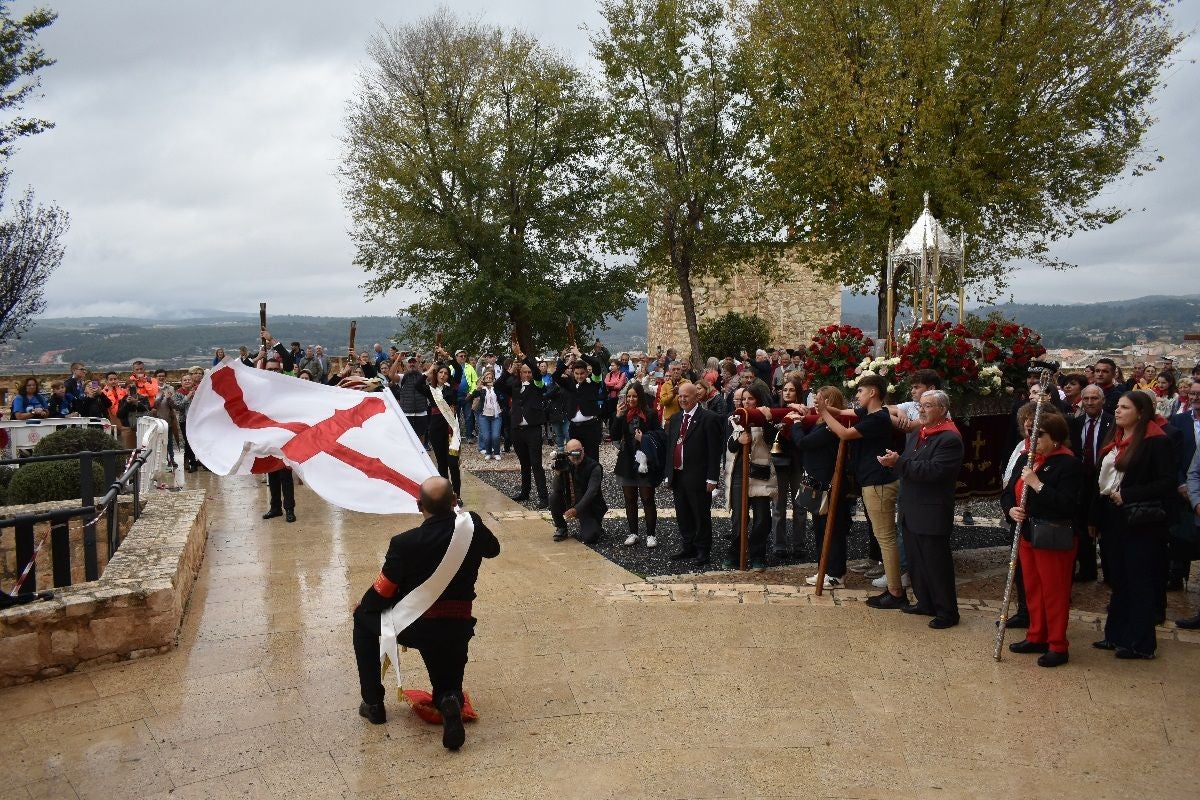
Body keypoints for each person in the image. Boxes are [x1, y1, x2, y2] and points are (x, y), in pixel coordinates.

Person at [352, 477, 500, 749]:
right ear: (454, 501)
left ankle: (373, 703)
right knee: (448, 683)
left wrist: (363, 606)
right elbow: (494, 549)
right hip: (458, 624)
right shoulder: (473, 526)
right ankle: (449, 701)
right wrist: (466, 518)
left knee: (362, 621)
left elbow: (383, 591)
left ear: (419, 505)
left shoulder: (405, 543)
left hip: (415, 626)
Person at [1090, 391, 1178, 659]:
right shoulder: (1114, 439)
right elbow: (1100, 482)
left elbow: (1166, 483)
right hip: (1113, 517)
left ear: (1140, 413)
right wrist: (1094, 518)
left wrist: (1129, 494)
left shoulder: (1156, 442)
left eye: (1125, 407)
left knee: (1139, 579)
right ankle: (1116, 635)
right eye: (1117, 406)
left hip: (1140, 520)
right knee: (1118, 577)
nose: (1117, 411)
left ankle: (1140, 642)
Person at [1002, 413, 1085, 666]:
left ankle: (1058, 645)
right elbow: (1007, 492)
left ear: (1056, 438)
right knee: (1033, 588)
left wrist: (1037, 485)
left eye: (1040, 434)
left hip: (1053, 537)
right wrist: (1010, 509)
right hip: (1028, 533)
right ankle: (1036, 634)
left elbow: (1069, 504)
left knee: (1054, 591)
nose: (1033, 438)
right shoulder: (1028, 459)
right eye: (1031, 433)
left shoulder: (1068, 464)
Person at [879, 389, 964, 629]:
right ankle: (925, 602)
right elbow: (910, 461)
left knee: (936, 563)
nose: (921, 410)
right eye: (921, 405)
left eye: (928, 406)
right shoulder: (921, 432)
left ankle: (947, 611)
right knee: (917, 560)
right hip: (912, 507)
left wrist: (900, 463)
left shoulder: (949, 439)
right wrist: (896, 460)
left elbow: (933, 471)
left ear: (943, 410)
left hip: (931, 510)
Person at [822, 374, 907, 609]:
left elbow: (845, 433)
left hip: (878, 481)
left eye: (860, 391)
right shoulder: (869, 413)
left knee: (886, 538)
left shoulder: (878, 418)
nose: (856, 395)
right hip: (872, 480)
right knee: (885, 536)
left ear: (872, 393)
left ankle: (896, 592)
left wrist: (824, 414)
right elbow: (845, 414)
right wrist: (825, 407)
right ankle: (895, 589)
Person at [795, 386, 852, 588]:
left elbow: (805, 442)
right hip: (817, 482)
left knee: (832, 530)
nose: (815, 403)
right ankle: (825, 569)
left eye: (819, 400)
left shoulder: (833, 424)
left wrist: (795, 425)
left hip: (829, 483)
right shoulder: (823, 421)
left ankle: (835, 573)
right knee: (820, 528)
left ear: (829, 402)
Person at [666, 382, 724, 566]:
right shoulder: (675, 419)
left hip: (699, 476)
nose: (682, 399)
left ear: (696, 397)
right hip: (678, 474)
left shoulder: (709, 418)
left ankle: (703, 549)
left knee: (700, 514)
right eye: (680, 396)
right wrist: (668, 473)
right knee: (683, 513)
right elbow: (671, 447)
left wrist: (712, 477)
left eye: (686, 396)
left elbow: (714, 451)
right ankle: (688, 545)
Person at [723, 384, 777, 571]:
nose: (746, 402)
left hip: (760, 473)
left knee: (762, 518)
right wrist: (738, 440)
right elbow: (729, 445)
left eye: (750, 399)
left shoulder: (766, 419)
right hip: (739, 473)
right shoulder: (734, 419)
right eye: (743, 399)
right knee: (739, 518)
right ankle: (735, 553)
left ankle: (757, 555)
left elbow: (772, 440)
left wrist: (766, 421)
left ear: (758, 401)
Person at [1069, 384, 1113, 583]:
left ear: (1102, 400)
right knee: (1082, 526)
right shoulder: (1075, 424)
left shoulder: (1112, 423)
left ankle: (1111, 573)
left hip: (1103, 481)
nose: (1089, 403)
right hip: (1081, 481)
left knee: (1104, 526)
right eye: (1086, 399)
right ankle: (1087, 570)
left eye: (1094, 398)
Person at [613, 383, 664, 548]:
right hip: (627, 461)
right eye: (628, 396)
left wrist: (645, 439)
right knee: (629, 499)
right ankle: (633, 532)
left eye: (634, 396)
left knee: (647, 498)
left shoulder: (650, 413)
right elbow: (613, 435)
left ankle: (651, 534)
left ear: (640, 397)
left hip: (644, 461)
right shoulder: (623, 413)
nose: (631, 399)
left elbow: (661, 436)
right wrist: (618, 416)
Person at [505, 349, 548, 507]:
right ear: (520, 373)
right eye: (525, 372)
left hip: (533, 429)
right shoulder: (515, 385)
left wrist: (524, 356)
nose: (528, 374)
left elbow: (537, 373)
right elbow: (499, 385)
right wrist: (509, 371)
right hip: (517, 429)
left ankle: (543, 497)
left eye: (529, 372)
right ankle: (525, 492)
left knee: (536, 464)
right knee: (524, 463)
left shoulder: (537, 384)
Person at [770, 378, 808, 560]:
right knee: (778, 505)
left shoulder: (805, 412)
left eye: (792, 390)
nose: (787, 393)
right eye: (785, 389)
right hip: (779, 463)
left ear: (798, 392)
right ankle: (779, 544)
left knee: (800, 505)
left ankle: (799, 545)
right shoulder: (775, 412)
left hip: (798, 462)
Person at [548, 439, 608, 543]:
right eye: (572, 452)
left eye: (578, 451)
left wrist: (576, 509)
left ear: (583, 450)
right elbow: (557, 489)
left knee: (589, 537)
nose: (576, 455)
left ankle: (596, 526)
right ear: (567, 453)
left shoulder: (594, 467)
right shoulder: (565, 464)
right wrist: (558, 474)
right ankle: (561, 527)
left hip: (589, 506)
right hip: (570, 500)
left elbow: (591, 492)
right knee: (553, 497)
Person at [555, 347, 605, 462]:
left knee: (592, 457)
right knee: (575, 458)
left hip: (591, 427)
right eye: (576, 373)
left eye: (582, 373)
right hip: (574, 428)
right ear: (573, 373)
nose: (579, 376)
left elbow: (596, 364)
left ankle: (594, 478)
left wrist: (579, 354)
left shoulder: (594, 382)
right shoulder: (569, 383)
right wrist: (568, 362)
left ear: (587, 372)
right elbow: (555, 376)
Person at [426, 364, 463, 498]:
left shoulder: (451, 389)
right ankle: (445, 496)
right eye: (440, 372)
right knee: (442, 465)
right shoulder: (430, 390)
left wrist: (448, 358)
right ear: (436, 374)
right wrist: (429, 370)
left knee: (453, 463)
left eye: (445, 373)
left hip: (451, 431)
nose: (442, 375)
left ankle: (457, 495)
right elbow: (418, 384)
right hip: (436, 431)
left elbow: (458, 370)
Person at [471, 369, 503, 460]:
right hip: (484, 415)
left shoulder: (496, 388)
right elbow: (474, 394)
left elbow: (502, 398)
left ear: (493, 379)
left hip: (496, 415)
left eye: (491, 378)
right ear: (484, 380)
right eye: (487, 378)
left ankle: (496, 452)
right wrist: (479, 387)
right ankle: (488, 452)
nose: (489, 379)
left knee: (496, 436)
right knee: (486, 436)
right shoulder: (482, 389)